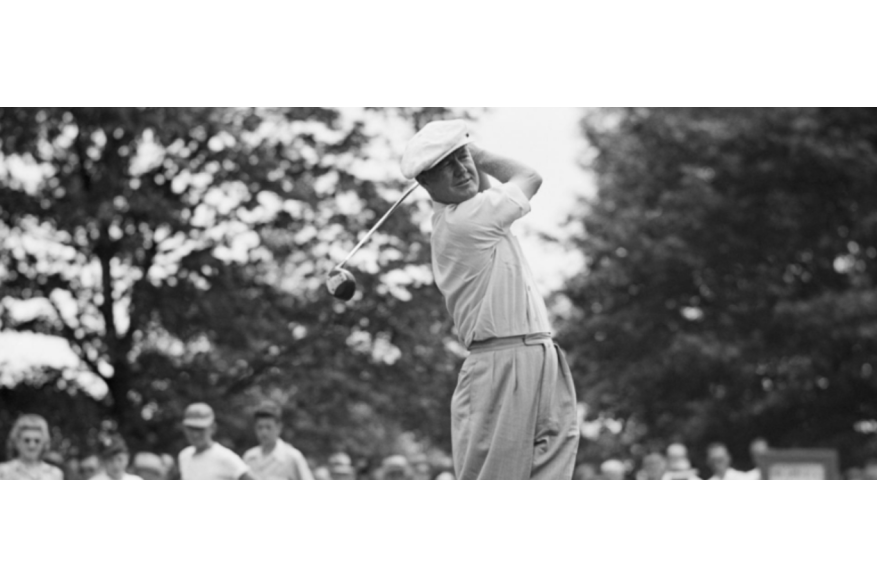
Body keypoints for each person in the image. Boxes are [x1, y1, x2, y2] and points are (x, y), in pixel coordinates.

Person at [402, 120, 578, 480]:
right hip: (501, 362)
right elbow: (528, 176)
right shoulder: (464, 220)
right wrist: (474, 151)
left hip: (539, 354)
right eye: (445, 165)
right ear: (424, 183)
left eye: (462, 158)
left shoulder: (476, 211)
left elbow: (483, 185)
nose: (461, 169)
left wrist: (463, 151)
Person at [178, 403, 255, 481]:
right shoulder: (184, 455)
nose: (195, 434)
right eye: (191, 428)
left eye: (200, 429)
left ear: (213, 428)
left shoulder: (224, 456)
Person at [242, 401, 314, 481]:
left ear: (279, 427)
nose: (264, 432)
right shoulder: (249, 457)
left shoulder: (293, 458)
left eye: (268, 427)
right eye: (260, 427)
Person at [0, 414, 64, 481]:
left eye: (37, 441)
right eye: (27, 440)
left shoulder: (54, 473)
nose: (32, 446)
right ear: (17, 442)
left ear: (44, 443)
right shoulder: (3, 471)